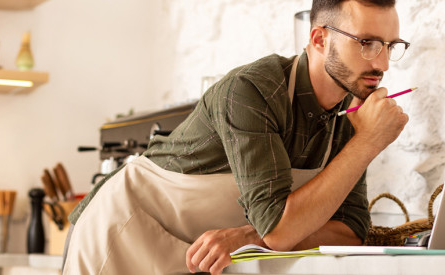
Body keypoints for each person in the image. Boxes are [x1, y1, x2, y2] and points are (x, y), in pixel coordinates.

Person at [62, 0, 410, 274]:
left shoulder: (354, 115)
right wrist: (367, 144)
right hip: (121, 233)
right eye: (366, 43)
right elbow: (280, 230)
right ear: (319, 39)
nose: (382, 63)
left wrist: (248, 236)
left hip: (198, 253)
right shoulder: (250, 91)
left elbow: (350, 230)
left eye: (389, 45)